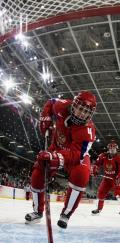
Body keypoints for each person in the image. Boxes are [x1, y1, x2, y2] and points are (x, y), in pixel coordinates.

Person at [25, 91, 97, 229]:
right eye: (80, 109)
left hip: (76, 157)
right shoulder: (61, 106)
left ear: (90, 114)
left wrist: (56, 158)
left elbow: (77, 155)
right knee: (37, 173)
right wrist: (45, 116)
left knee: (82, 175)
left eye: (86, 112)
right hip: (55, 148)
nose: (82, 114)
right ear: (74, 105)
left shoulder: (88, 131)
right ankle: (37, 212)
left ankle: (66, 214)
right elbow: (51, 102)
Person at [91, 140, 120, 216]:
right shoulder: (103, 156)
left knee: (118, 192)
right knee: (101, 192)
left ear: (116, 149)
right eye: (110, 148)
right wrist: (95, 169)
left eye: (113, 149)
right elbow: (96, 164)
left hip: (117, 178)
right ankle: (98, 209)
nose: (112, 150)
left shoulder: (119, 157)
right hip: (107, 178)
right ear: (108, 149)